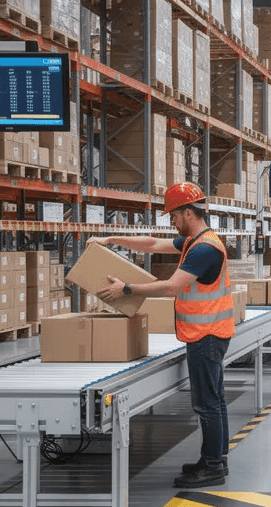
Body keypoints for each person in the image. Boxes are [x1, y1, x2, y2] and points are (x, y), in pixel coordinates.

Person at [93, 182, 234, 489]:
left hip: (206, 334)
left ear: (188, 212)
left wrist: (126, 289)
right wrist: (111, 238)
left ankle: (213, 467)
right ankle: (215, 458)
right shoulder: (194, 240)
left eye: (173, 214)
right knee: (215, 400)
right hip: (207, 333)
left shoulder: (204, 248)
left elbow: (172, 286)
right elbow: (153, 244)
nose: (171, 220)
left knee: (207, 403)